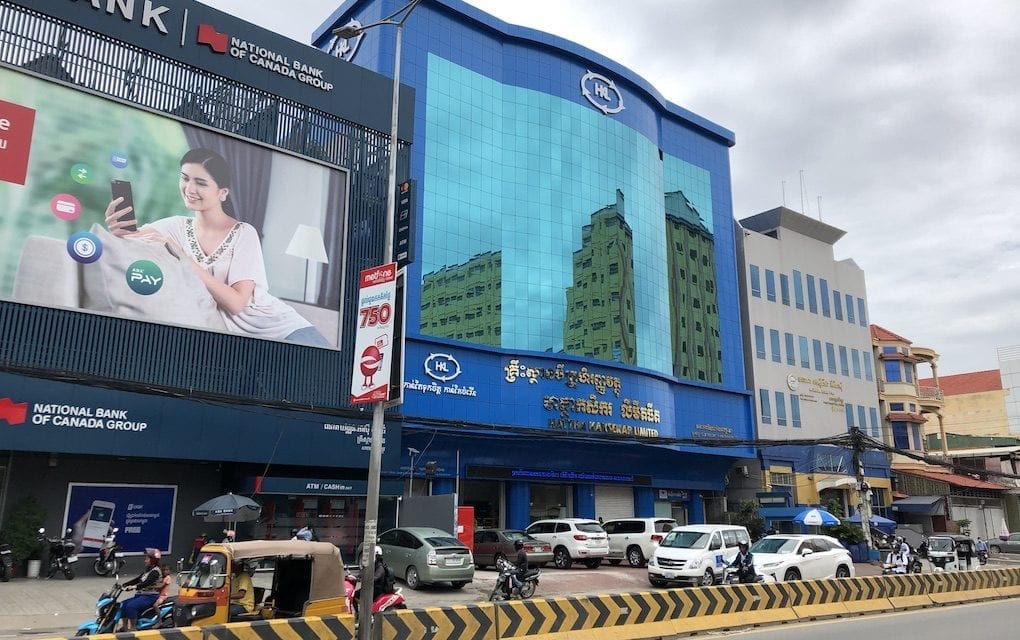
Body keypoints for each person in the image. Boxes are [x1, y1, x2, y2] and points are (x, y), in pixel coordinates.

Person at [104, 148, 330, 348]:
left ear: (223, 192)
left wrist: (182, 255)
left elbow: (236, 303)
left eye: (201, 183)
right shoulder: (173, 227)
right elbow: (133, 241)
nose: (189, 188)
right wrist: (119, 229)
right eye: (185, 178)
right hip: (236, 339)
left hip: (281, 328)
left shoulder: (244, 233)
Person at [118, 548, 163, 631]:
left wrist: (134, 587)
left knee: (131, 606)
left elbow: (147, 582)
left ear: (153, 560)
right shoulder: (147, 570)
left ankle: (133, 627)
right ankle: (124, 627)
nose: (145, 561)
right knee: (123, 604)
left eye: (147, 559)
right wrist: (125, 584)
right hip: (141, 595)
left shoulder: (155, 571)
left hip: (150, 596)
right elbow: (138, 579)